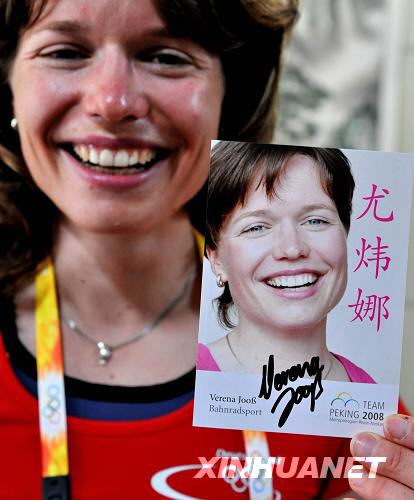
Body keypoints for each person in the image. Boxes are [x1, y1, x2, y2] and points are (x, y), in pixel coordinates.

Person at [0, 0, 407, 498]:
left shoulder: (352, 402)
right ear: (7, 88)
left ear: (229, 94)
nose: (111, 101)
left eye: (165, 56)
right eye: (65, 52)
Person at [198, 141, 374, 383]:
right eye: (257, 227)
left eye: (315, 221)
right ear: (216, 260)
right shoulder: (180, 386)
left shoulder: (381, 403)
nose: (292, 249)